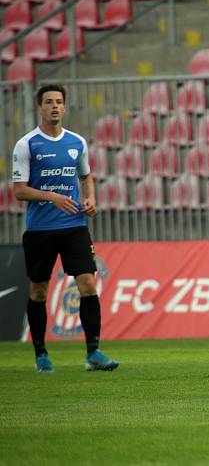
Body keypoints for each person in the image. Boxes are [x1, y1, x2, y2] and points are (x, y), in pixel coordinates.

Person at [12, 85, 119, 373]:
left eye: (59, 102)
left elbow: (86, 176)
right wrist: (52, 196)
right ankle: (41, 354)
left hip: (74, 225)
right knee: (39, 290)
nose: (55, 107)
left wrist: (91, 198)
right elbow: (19, 191)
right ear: (40, 107)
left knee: (87, 283)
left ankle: (94, 353)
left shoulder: (77, 142)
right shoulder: (27, 145)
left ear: (65, 107)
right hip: (40, 230)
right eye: (49, 102)